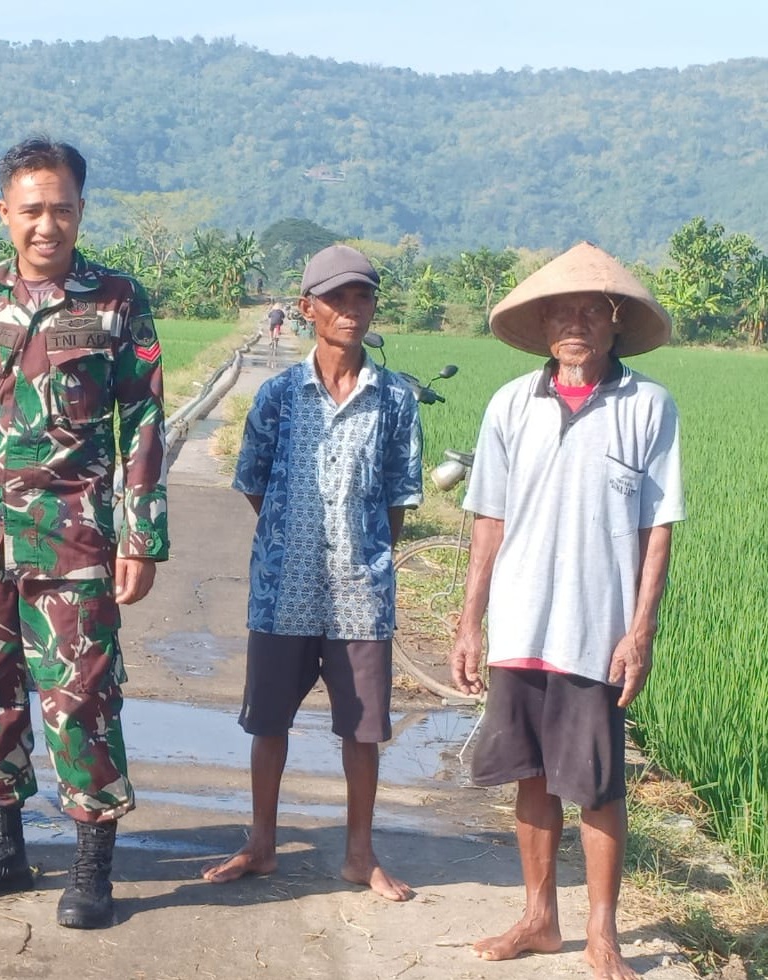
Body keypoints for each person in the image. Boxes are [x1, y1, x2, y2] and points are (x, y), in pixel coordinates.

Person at [0, 137, 168, 930]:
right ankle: (1, 846)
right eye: (32, 210)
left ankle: (91, 865)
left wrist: (140, 536)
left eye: (62, 208)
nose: (47, 225)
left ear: (81, 210)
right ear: (4, 213)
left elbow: (143, 423)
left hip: (74, 541)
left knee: (82, 700)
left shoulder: (115, 300)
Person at [450, 242, 684, 980]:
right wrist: (469, 620)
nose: (575, 323)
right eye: (561, 311)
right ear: (544, 324)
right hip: (521, 624)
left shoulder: (647, 406)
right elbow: (488, 516)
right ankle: (539, 917)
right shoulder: (510, 404)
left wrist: (639, 633)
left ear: (616, 324)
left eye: (591, 310)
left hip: (595, 630)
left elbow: (659, 528)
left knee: (597, 783)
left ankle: (603, 933)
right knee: (530, 774)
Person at [202, 245, 422, 902]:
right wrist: (291, 538)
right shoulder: (276, 397)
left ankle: (361, 853)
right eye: (337, 299)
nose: (351, 310)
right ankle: (262, 843)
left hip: (361, 593)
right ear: (307, 310)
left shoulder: (395, 400)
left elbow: (397, 498)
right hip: (282, 590)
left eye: (362, 298)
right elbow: (254, 484)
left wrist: (361, 552)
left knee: (362, 729)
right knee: (268, 723)